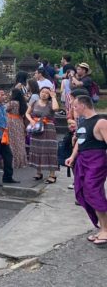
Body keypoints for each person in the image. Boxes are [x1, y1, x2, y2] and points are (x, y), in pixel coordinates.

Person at [64, 95, 107, 245]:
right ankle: (102, 228)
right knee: (85, 192)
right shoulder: (83, 122)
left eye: (75, 106)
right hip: (82, 160)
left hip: (96, 161)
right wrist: (72, 156)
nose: (74, 109)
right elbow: (79, 141)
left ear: (82, 105)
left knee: (94, 192)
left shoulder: (101, 122)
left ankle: (106, 230)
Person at [26, 86, 60, 183]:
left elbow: (56, 108)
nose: (44, 94)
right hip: (36, 128)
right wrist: (31, 120)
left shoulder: (51, 103)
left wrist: (53, 97)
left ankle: (52, 175)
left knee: (50, 150)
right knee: (37, 149)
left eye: (46, 93)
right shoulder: (34, 102)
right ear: (39, 92)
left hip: (48, 129)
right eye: (42, 92)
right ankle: (38, 172)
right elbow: (27, 113)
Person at [7, 88, 28, 169]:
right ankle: (22, 162)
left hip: (12, 123)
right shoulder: (22, 103)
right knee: (20, 143)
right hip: (20, 122)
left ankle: (14, 162)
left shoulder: (12, 103)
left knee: (13, 143)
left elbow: (5, 109)